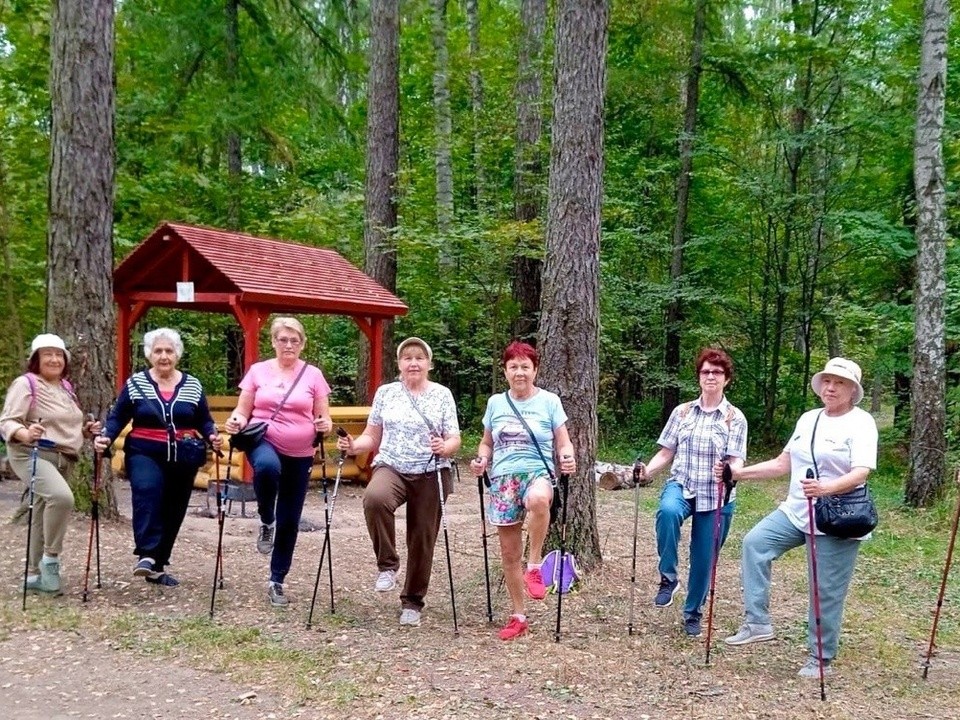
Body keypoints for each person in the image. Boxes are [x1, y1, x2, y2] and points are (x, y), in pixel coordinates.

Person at [720, 357, 877, 678]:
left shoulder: (862, 423)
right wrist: (738, 473)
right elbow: (782, 463)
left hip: (838, 516)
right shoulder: (809, 419)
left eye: (840, 383)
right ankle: (757, 622)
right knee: (755, 544)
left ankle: (821, 657)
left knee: (825, 589)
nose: (831, 388)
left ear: (852, 390)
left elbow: (862, 472)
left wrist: (827, 488)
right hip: (796, 510)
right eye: (828, 382)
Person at [337, 337, 461, 628]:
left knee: (422, 536)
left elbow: (455, 438)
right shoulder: (387, 393)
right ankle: (387, 565)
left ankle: (412, 602)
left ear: (429, 364)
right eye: (407, 358)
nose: (413, 363)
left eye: (419, 358)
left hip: (431, 469)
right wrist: (355, 447)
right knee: (375, 499)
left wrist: (445, 447)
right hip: (392, 465)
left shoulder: (442, 394)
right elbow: (373, 435)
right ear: (400, 363)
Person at [633, 347, 748, 637]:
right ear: (698, 377)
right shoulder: (682, 412)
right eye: (706, 371)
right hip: (682, 484)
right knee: (668, 512)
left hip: (717, 495)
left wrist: (730, 472)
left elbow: (737, 460)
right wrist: (647, 471)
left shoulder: (735, 418)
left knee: (703, 557)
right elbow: (666, 451)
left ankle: (693, 612)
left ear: (727, 379)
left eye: (717, 372)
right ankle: (668, 577)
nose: (711, 376)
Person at [96, 328, 221, 587]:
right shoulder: (136, 384)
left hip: (184, 456)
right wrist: (107, 435)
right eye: (158, 351)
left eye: (169, 351)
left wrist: (212, 436)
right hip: (144, 451)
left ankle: (158, 565)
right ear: (149, 354)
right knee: (147, 489)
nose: (164, 356)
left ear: (177, 354)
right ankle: (146, 554)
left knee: (174, 508)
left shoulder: (193, 384)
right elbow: (119, 416)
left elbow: (204, 420)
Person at [469, 340, 576, 640]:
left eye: (525, 367)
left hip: (537, 471)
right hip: (503, 478)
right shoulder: (495, 403)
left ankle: (535, 564)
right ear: (505, 371)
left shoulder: (550, 402)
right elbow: (487, 442)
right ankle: (518, 615)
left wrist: (567, 456)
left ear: (535, 370)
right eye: (513, 367)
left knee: (540, 499)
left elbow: (562, 441)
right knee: (508, 552)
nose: (519, 373)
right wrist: (482, 459)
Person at [224, 317, 332, 607]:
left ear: (302, 344)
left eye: (294, 340)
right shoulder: (258, 372)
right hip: (264, 439)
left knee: (290, 519)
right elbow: (242, 410)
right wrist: (236, 420)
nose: (288, 345)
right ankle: (264, 518)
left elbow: (324, 416)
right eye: (283, 339)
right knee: (268, 468)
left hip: (301, 452)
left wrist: (325, 424)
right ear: (273, 341)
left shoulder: (313, 375)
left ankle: (277, 580)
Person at [1, 333, 100, 594]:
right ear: (36, 359)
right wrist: (24, 433)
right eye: (48, 355)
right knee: (62, 498)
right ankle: (51, 561)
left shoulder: (65, 388)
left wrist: (87, 430)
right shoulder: (26, 384)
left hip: (63, 457)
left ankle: (35, 575)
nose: (54, 359)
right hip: (31, 453)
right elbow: (7, 421)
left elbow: (67, 425)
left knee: (42, 508)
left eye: (59, 355)